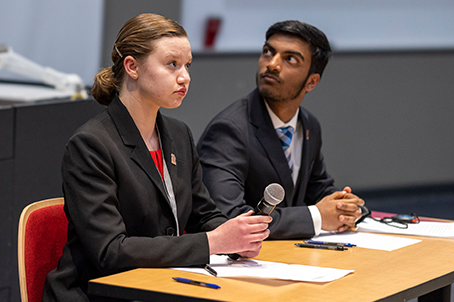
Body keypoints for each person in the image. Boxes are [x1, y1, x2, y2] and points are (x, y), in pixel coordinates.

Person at [43, 13, 271, 301]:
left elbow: (205, 216)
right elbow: (110, 252)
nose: (185, 76)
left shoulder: (179, 134)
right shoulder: (91, 144)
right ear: (132, 67)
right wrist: (213, 242)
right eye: (172, 64)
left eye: (188, 65)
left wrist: (236, 236)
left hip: (162, 284)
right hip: (98, 293)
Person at [196, 20, 365, 240]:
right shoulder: (229, 129)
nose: (273, 64)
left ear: (311, 82)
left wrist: (345, 207)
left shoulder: (309, 125)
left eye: (290, 59)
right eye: (268, 52)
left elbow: (319, 187)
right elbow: (227, 218)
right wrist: (317, 217)